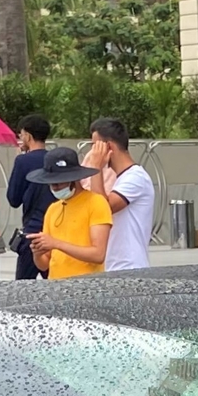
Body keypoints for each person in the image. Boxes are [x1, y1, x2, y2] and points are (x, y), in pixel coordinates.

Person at [27, 148, 112, 279]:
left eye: (59, 182)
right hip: (56, 285)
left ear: (74, 179)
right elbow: (44, 265)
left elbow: (98, 255)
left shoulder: (96, 202)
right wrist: (37, 253)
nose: (54, 187)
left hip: (87, 285)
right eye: (51, 183)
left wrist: (57, 244)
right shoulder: (53, 209)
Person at [90, 118, 155, 270]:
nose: (92, 152)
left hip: (130, 267)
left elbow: (102, 209)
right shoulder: (123, 178)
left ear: (109, 146)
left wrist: (96, 167)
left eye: (95, 146)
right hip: (115, 266)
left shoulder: (136, 177)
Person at [4, 114, 54, 279]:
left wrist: (21, 159)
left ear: (28, 136)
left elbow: (14, 199)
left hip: (33, 233)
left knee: (23, 287)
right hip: (56, 232)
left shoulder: (23, 162)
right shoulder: (55, 159)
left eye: (21, 134)